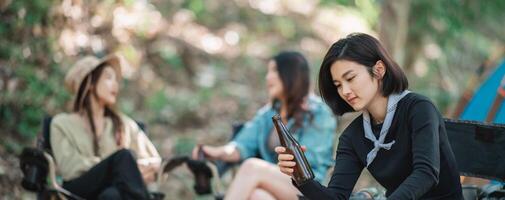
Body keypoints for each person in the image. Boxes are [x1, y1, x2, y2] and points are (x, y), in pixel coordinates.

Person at [276, 33, 464, 199]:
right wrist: (301, 178)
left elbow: (426, 173)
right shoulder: (353, 136)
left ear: (379, 70)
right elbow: (337, 196)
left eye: (350, 78)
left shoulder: (418, 109)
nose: (345, 91)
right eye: (338, 85)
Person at [192, 51, 337, 200]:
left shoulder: (319, 113)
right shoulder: (269, 113)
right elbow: (242, 145)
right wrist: (215, 152)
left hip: (309, 189)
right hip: (277, 186)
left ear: (290, 74)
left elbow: (309, 166)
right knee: (258, 196)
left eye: (274, 70)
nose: (268, 77)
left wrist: (269, 171)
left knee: (252, 167)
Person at [51, 54, 161, 200]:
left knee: (111, 195)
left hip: (111, 193)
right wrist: (116, 167)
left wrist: (137, 169)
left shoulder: (122, 123)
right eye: (109, 78)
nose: (116, 85)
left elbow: (155, 162)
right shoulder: (61, 123)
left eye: (116, 79)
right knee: (124, 157)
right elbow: (70, 169)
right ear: (89, 83)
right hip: (77, 190)